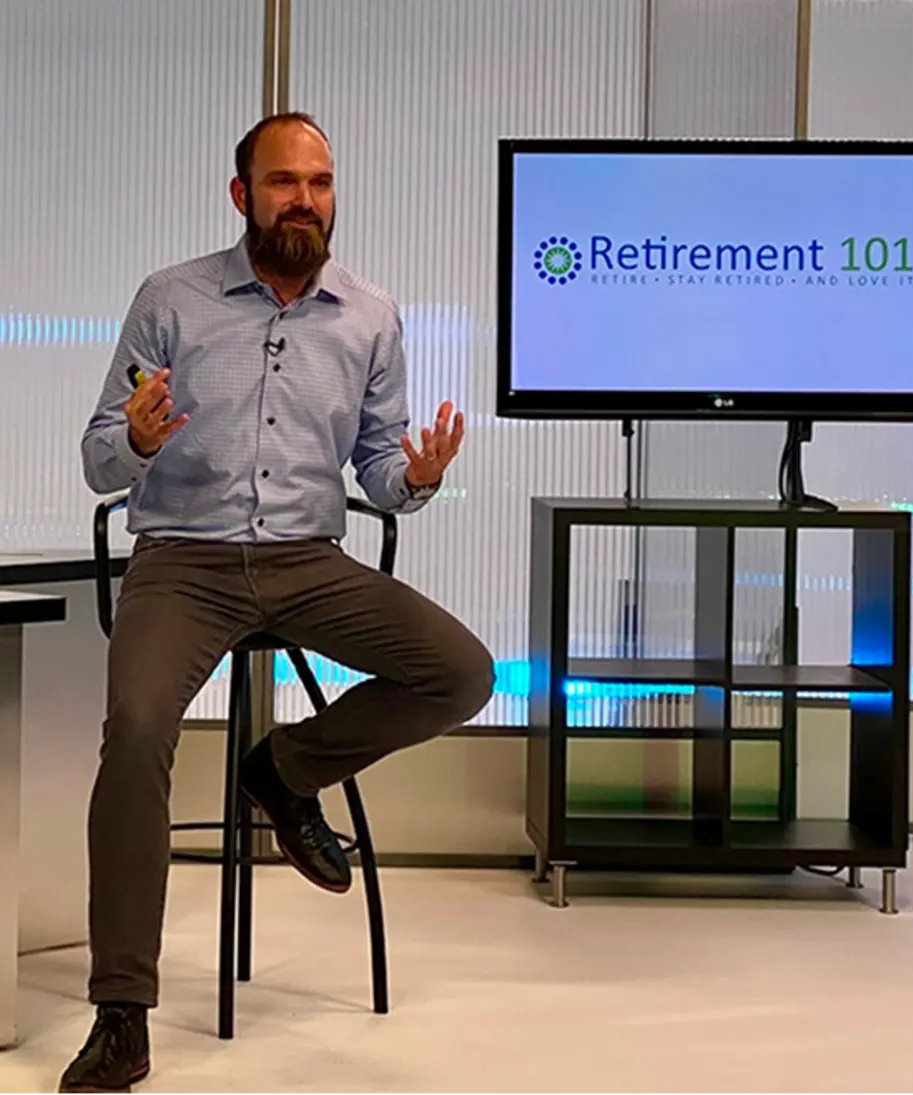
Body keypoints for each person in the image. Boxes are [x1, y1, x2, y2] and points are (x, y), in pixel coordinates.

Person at [57, 111, 495, 1095]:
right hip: (184, 561)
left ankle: (282, 773)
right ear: (241, 196)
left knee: (462, 672)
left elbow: (379, 467)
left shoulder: (370, 315)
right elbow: (96, 462)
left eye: (320, 183)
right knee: (133, 733)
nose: (304, 199)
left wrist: (414, 478)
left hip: (308, 561)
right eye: (284, 182)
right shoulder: (169, 300)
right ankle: (121, 1014)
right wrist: (135, 439)